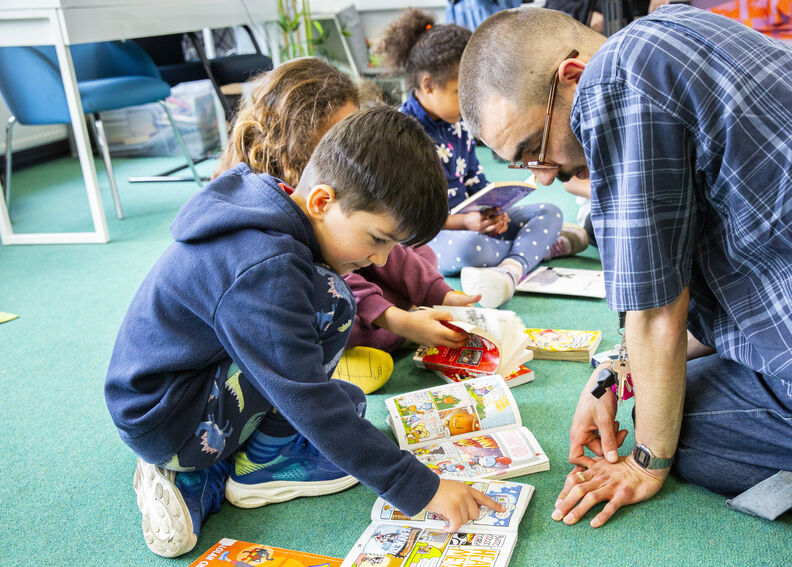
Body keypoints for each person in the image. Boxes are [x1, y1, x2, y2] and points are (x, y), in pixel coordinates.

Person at [458, 6, 792, 566]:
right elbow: (726, 297)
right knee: (664, 385)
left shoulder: (617, 84)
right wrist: (617, 370)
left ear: (573, 76)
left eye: (533, 148)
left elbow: (659, 313)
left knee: (683, 428)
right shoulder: (679, 31)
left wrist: (645, 460)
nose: (543, 174)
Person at [106, 107, 503, 558]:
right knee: (327, 377)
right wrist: (418, 487)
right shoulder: (264, 265)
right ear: (321, 202)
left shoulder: (275, 211)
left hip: (191, 383)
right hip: (166, 418)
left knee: (335, 318)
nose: (379, 260)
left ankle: (245, 453)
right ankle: (209, 468)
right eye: (378, 239)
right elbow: (306, 396)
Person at [215, 57, 477, 395]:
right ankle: (344, 355)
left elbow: (388, 255)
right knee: (340, 301)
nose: (349, 146)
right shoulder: (274, 213)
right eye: (338, 135)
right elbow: (324, 278)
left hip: (344, 267)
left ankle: (388, 322)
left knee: (410, 251)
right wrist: (396, 318)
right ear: (298, 141)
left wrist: (438, 291)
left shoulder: (342, 190)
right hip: (304, 296)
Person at [377, 8, 589, 309]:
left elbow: (475, 177)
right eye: (458, 92)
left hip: (475, 222)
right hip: (435, 235)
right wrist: (464, 222)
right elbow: (407, 217)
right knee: (477, 249)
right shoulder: (401, 131)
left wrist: (495, 210)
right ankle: (531, 250)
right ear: (427, 85)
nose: (466, 104)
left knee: (550, 212)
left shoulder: (459, 124)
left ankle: (512, 267)